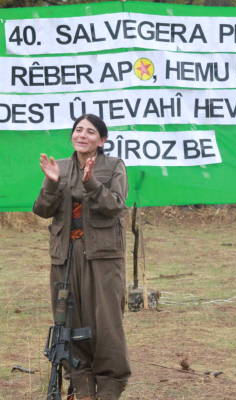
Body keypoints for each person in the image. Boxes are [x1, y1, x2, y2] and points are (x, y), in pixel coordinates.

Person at [33, 114, 130, 400]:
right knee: (68, 321)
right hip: (65, 255)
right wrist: (52, 183)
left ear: (102, 140)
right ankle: (82, 387)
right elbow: (42, 210)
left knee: (106, 322)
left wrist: (91, 183)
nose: (82, 135)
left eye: (90, 131)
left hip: (102, 256)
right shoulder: (60, 167)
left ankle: (110, 387)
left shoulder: (113, 166)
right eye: (78, 130)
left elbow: (115, 206)